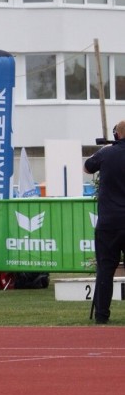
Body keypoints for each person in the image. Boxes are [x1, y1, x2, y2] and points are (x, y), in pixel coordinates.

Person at [83, 120, 125, 324]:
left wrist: (106, 149)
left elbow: (87, 168)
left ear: (117, 135)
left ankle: (102, 315)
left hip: (109, 222)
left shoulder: (106, 153)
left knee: (106, 269)